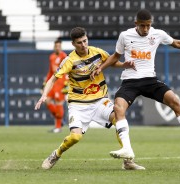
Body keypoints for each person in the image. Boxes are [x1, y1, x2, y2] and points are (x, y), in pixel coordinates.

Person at [91, 9, 180, 163]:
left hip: (150, 80)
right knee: (118, 108)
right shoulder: (125, 36)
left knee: (175, 100)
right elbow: (116, 56)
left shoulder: (157, 34)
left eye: (148, 26)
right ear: (136, 23)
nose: (146, 29)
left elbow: (176, 43)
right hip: (130, 81)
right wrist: (100, 68)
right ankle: (127, 149)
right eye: (142, 26)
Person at [35, 27, 145, 170]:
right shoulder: (69, 60)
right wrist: (44, 95)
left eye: (85, 40)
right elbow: (53, 79)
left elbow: (112, 61)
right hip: (78, 104)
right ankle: (56, 154)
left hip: (100, 101)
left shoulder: (97, 52)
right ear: (74, 44)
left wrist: (124, 64)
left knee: (119, 118)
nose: (84, 44)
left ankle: (128, 161)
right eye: (79, 42)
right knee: (75, 137)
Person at [42, 39, 68, 133]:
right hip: (53, 83)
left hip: (61, 82)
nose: (58, 48)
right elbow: (50, 71)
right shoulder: (52, 57)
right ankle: (60, 120)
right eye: (56, 46)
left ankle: (58, 127)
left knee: (59, 103)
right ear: (54, 47)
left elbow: (67, 70)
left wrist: (66, 83)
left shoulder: (64, 56)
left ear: (61, 47)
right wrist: (45, 82)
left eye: (59, 46)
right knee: (47, 101)